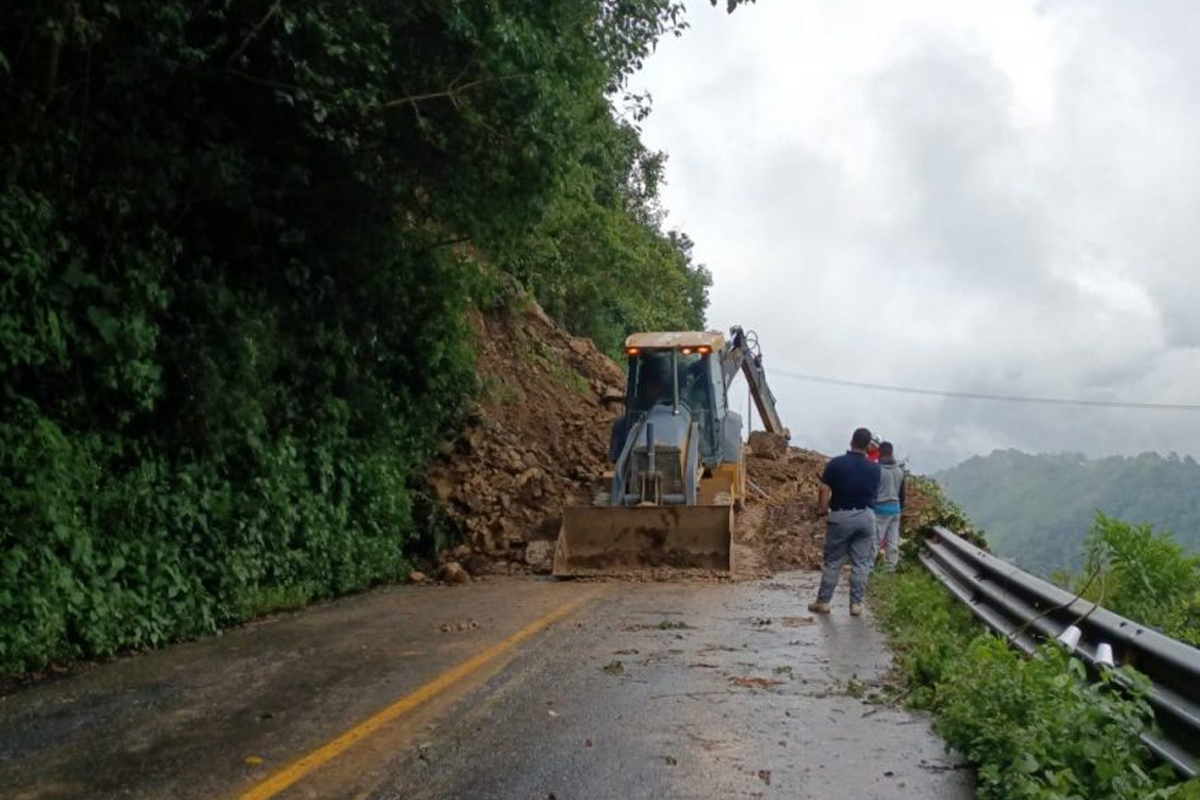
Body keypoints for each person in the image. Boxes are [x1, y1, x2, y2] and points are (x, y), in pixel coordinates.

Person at [810, 427, 881, 617]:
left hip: (841, 516)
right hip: (866, 518)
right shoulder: (875, 469)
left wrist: (822, 510)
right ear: (868, 447)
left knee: (834, 561)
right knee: (861, 563)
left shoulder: (836, 464)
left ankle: (823, 602)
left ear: (851, 441)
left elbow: (824, 489)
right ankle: (856, 605)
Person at [872, 441, 906, 572]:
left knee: (875, 540)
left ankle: (868, 568)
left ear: (880, 453)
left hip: (880, 508)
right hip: (895, 509)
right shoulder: (900, 471)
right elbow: (903, 494)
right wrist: (900, 508)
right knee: (892, 541)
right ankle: (890, 569)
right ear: (891, 453)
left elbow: (873, 491)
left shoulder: (877, 470)